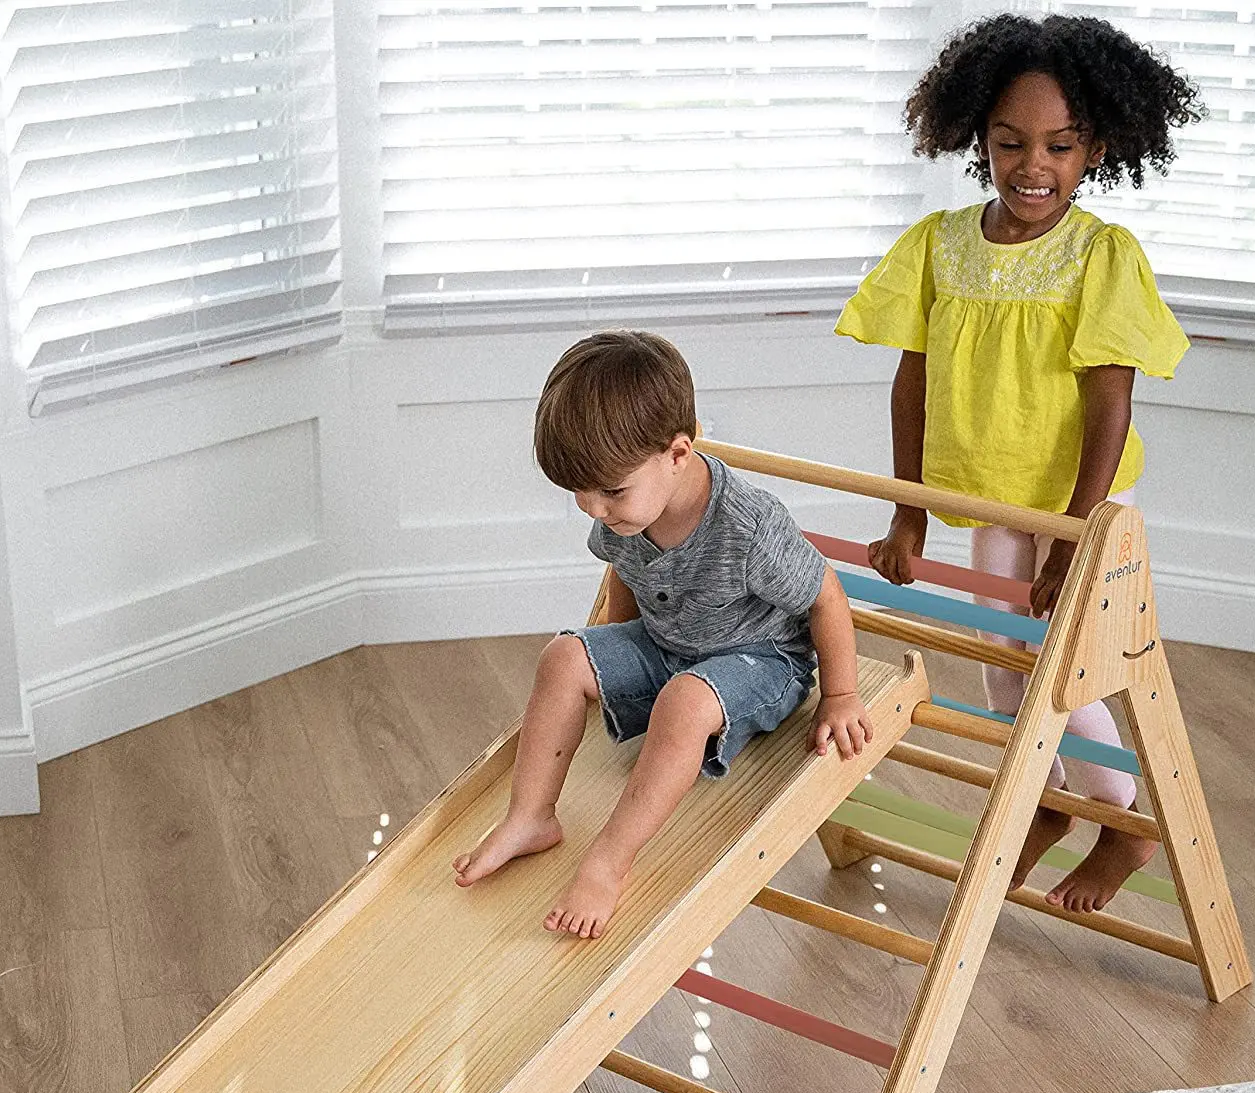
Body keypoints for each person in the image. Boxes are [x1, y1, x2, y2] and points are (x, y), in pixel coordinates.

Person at [836, 13, 1200, 914]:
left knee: (1059, 666)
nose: (1033, 166)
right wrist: (908, 509)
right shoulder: (941, 244)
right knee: (1005, 659)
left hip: (1071, 509)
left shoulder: (1100, 256)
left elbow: (1110, 401)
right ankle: (1046, 798)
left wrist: (1076, 533)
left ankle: (1119, 821)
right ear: (977, 140)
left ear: (1097, 150)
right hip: (984, 497)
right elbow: (910, 385)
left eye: (1059, 146)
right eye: (1010, 143)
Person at [453, 330, 873, 938]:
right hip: (669, 645)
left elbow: (825, 595)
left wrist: (839, 695)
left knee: (684, 701)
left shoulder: (747, 528)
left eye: (610, 491)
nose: (596, 510)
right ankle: (530, 816)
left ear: (678, 452)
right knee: (563, 655)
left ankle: (608, 861)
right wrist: (605, 658)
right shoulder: (625, 513)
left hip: (759, 661)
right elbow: (624, 573)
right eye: (582, 494)